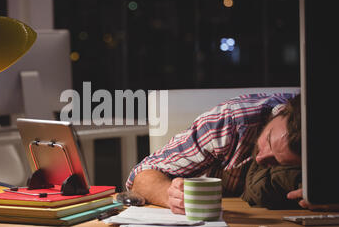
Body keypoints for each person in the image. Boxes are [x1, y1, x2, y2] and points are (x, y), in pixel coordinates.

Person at [126, 92, 321, 214]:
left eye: (277, 163)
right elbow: (141, 174)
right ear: (282, 111)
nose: (262, 157)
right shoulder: (231, 121)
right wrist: (170, 196)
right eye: (268, 140)